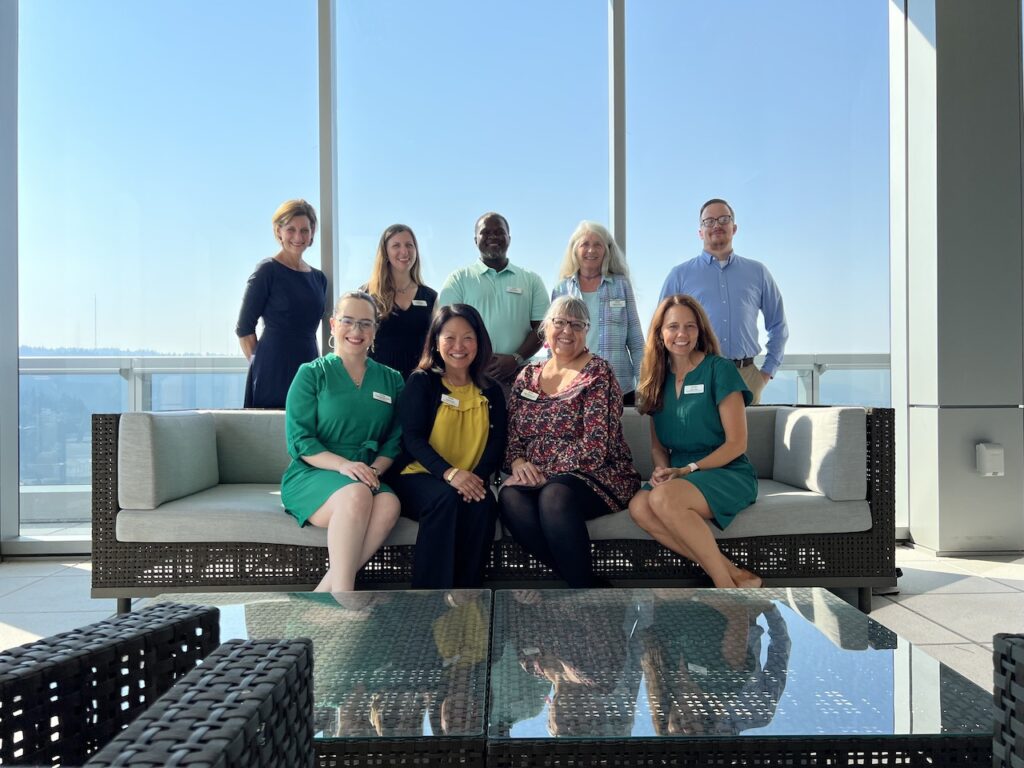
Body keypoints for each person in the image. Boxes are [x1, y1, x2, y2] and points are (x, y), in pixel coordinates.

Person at [500, 295, 640, 588]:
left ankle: (580, 588)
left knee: (554, 496)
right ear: (546, 329)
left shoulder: (597, 373)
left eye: (577, 324)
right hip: (539, 475)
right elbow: (512, 435)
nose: (567, 331)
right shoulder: (527, 376)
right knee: (509, 497)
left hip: (597, 473)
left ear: (586, 331)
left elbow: (595, 446)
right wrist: (518, 462)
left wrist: (542, 475)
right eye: (560, 322)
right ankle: (583, 582)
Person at [628, 294, 760, 588]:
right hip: (678, 475)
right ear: (660, 333)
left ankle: (723, 586)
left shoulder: (719, 369)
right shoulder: (655, 380)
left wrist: (687, 469)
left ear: (700, 331)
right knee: (639, 506)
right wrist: (663, 469)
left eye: (690, 326)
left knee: (661, 498)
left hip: (725, 471)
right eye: (673, 326)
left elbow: (737, 443)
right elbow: (658, 446)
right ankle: (736, 575)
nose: (681, 334)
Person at [281, 290, 404, 593]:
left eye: (365, 323)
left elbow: (395, 439)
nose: (356, 331)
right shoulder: (311, 374)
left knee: (388, 503)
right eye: (348, 321)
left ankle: (325, 593)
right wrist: (345, 466)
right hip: (315, 471)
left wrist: (373, 469)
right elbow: (300, 440)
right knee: (357, 495)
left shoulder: (393, 380)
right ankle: (345, 595)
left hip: (367, 473)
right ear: (334, 324)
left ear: (375, 330)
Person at [389, 304, 508, 588]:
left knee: (484, 503)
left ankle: (469, 595)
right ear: (436, 341)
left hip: (470, 479)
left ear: (479, 341)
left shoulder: (492, 390)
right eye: (449, 337)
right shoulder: (422, 382)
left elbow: (497, 442)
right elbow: (412, 438)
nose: (459, 346)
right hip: (420, 475)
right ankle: (429, 599)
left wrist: (475, 479)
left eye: (468, 337)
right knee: (445, 499)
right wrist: (451, 474)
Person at [658, 199, 788, 404]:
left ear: (734, 228)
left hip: (746, 377)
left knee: (749, 436)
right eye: (709, 221)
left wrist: (765, 373)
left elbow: (778, 325)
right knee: (699, 435)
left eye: (723, 219)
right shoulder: (679, 275)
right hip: (697, 373)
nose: (716, 225)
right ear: (700, 232)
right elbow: (662, 328)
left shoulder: (758, 272)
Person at [438, 212, 549, 391]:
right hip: (469, 375)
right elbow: (445, 329)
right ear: (476, 240)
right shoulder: (458, 280)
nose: (493, 237)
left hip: (519, 377)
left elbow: (543, 328)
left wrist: (515, 359)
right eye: (486, 233)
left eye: (499, 232)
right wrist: (475, 360)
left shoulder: (531, 280)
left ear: (509, 238)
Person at [237, 199, 328, 408]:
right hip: (272, 367)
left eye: (304, 230)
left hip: (309, 362)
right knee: (270, 434)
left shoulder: (319, 279)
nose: (298, 237)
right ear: (279, 231)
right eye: (291, 230)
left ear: (312, 232)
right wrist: (260, 365)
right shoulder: (267, 270)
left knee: (307, 430)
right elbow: (244, 328)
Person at [551, 221, 644, 404]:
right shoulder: (561, 289)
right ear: (575, 250)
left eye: (597, 245)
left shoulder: (621, 285)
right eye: (585, 244)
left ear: (606, 250)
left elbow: (636, 341)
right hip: (574, 388)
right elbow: (553, 344)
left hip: (618, 387)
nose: (591, 250)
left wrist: (643, 384)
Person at [363, 224, 438, 381]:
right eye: (396, 245)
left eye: (409, 245)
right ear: (385, 253)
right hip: (378, 383)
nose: (404, 251)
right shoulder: (368, 294)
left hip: (419, 384)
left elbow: (436, 346)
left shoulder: (430, 297)